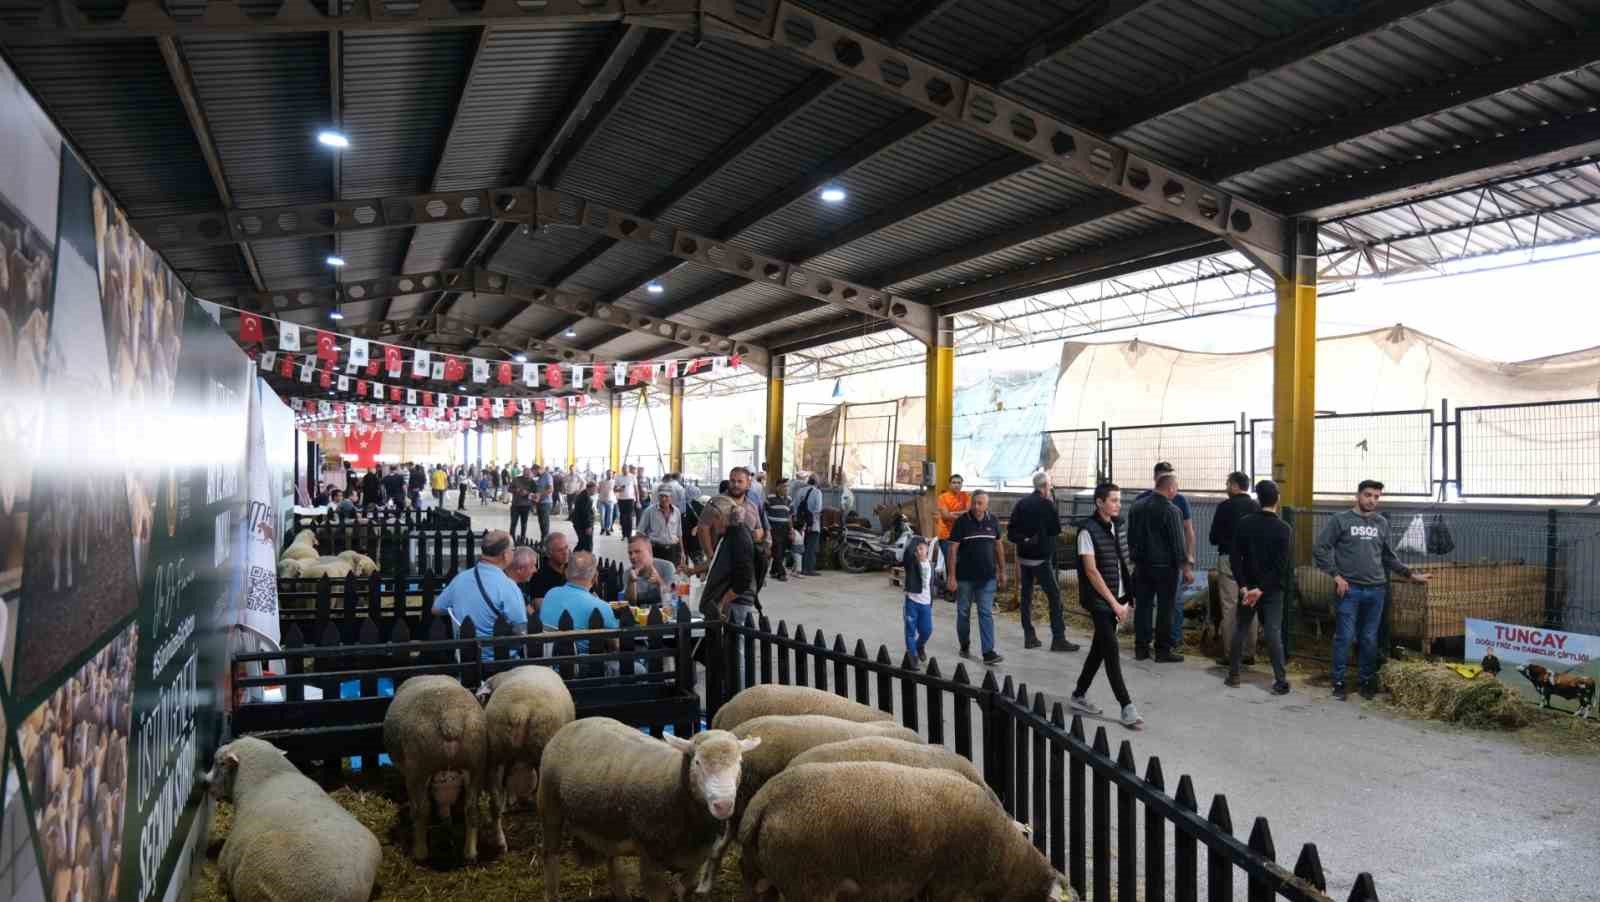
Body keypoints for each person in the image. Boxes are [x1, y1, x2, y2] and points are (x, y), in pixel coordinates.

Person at [1314, 479, 1431, 700]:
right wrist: (1336, 576)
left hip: (1376, 590)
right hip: (1348, 590)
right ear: (1357, 496)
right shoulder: (1341, 520)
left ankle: (1366, 680)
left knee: (1369, 638)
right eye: (1368, 495)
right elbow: (1320, 549)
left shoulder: (1381, 523)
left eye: (1377, 496)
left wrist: (1410, 575)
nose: (1372, 500)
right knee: (1345, 637)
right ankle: (1338, 681)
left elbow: (1388, 556)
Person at [1070, 482, 1142, 730]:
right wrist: (1114, 604)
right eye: (1113, 500)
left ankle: (1079, 694)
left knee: (1098, 649)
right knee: (1111, 650)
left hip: (1118, 599)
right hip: (1100, 601)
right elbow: (1091, 571)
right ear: (1099, 502)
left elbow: (1123, 562)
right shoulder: (1086, 532)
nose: (1118, 504)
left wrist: (1128, 596)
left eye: (1119, 500)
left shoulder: (1117, 525)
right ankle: (1126, 707)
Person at [1227, 480, 1292, 695]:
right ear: (1277, 499)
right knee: (1273, 632)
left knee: (1242, 627)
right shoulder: (1284, 529)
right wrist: (1262, 589)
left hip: (1249, 588)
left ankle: (1234, 675)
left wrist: (1245, 586)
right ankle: (1280, 679)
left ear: (1257, 498)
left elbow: (1235, 558)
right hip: (1271, 590)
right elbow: (1281, 566)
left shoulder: (1244, 523)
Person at [1007, 471, 1079, 653]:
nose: (1051, 488)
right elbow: (1056, 529)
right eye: (1050, 486)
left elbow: (1011, 532)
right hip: (1041, 559)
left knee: (1026, 597)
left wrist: (1024, 540)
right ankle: (1058, 638)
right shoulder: (1047, 504)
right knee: (1054, 596)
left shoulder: (1021, 504)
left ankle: (1029, 636)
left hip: (1024, 558)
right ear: (1044, 487)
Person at [431, 530, 528, 661]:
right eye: (513, 549)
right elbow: (521, 630)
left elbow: (436, 609)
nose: (514, 553)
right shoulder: (508, 586)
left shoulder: (461, 578)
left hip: (465, 659)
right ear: (505, 555)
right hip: (501, 662)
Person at [1128, 472, 1189, 663]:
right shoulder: (1172, 511)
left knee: (1143, 607)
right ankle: (1162, 650)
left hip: (1142, 566)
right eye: (1176, 488)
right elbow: (1178, 544)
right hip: (1166, 568)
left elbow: (1130, 537)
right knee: (1165, 609)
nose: (1176, 492)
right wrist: (1184, 566)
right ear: (1170, 488)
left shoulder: (1136, 506)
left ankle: (1141, 649)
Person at [946, 489, 1006, 665]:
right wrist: (951, 576)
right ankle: (964, 644)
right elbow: (952, 549)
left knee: (985, 612)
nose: (976, 506)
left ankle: (988, 652)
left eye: (980, 503)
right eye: (974, 503)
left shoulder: (993, 521)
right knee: (963, 612)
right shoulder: (962, 522)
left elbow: (999, 547)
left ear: (987, 505)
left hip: (987, 578)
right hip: (964, 578)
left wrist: (1002, 571)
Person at [1210, 470, 1261, 667]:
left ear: (1234, 485)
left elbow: (1213, 538)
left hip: (1229, 560)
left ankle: (1231, 653)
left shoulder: (1224, 507)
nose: (1225, 487)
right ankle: (1249, 652)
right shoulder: (1256, 507)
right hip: (1252, 562)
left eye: (1227, 484)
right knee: (1250, 603)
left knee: (1229, 606)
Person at [539, 552, 620, 675]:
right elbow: (615, 646)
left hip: (548, 665)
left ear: (566, 573)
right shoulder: (600, 606)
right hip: (582, 670)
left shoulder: (550, 593)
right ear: (595, 577)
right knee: (638, 669)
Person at [697, 495, 759, 636]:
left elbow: (743, 580)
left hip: (736, 604)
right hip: (728, 603)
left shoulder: (738, 536)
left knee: (735, 651)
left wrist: (722, 603)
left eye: (714, 519)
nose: (712, 523)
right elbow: (718, 562)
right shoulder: (729, 534)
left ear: (721, 517)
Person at [725, 467, 769, 590]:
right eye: (733, 481)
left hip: (747, 560)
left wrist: (759, 535)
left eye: (740, 481)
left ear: (748, 483)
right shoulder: (719, 502)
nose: (736, 485)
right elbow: (704, 528)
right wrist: (710, 554)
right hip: (725, 560)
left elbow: (761, 528)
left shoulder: (753, 504)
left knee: (744, 598)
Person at [900, 536, 933, 672]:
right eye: (917, 549)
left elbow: (930, 584)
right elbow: (907, 552)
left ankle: (919, 646)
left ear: (927, 550)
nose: (919, 551)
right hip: (912, 603)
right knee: (910, 631)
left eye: (922, 548)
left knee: (927, 630)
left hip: (925, 604)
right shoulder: (911, 564)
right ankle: (912, 656)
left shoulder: (930, 565)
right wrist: (918, 539)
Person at [935, 475, 970, 601]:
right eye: (954, 482)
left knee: (962, 563)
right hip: (946, 535)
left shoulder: (966, 496)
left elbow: (969, 513)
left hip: (962, 535)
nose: (956, 485)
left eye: (959, 482)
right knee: (951, 564)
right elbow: (945, 516)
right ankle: (951, 592)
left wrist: (953, 514)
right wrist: (961, 515)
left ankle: (962, 591)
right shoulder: (942, 497)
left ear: (962, 484)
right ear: (949, 484)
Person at [625, 534, 677, 608]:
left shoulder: (667, 567)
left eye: (637, 552)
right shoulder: (628, 573)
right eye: (630, 553)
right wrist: (631, 582)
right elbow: (631, 604)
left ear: (650, 552)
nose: (632, 556)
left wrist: (659, 581)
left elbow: (673, 599)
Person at [525, 532, 570, 616]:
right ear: (549, 554)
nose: (565, 552)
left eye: (566, 548)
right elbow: (541, 608)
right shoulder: (539, 577)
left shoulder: (574, 570)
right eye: (560, 550)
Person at [638, 486, 684, 565]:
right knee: (655, 575)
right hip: (655, 550)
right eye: (661, 496)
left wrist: (682, 552)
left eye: (666, 496)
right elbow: (640, 532)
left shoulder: (676, 511)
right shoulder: (649, 511)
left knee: (671, 575)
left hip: (672, 550)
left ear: (671, 497)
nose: (663, 499)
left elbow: (679, 533)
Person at [794, 475, 822, 576]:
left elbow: (795, 507)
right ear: (816, 482)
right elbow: (818, 509)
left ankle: (799, 568)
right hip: (812, 524)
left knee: (801, 545)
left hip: (800, 523)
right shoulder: (817, 492)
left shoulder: (799, 491)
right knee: (811, 546)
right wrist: (812, 522)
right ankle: (808, 569)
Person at [764, 480, 791, 582]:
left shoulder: (789, 499)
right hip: (773, 528)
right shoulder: (770, 498)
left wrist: (791, 530)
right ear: (778, 487)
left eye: (787, 487)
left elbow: (790, 515)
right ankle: (781, 573)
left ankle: (773, 571)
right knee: (778, 550)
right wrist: (767, 528)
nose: (786, 488)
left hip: (785, 528)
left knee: (782, 552)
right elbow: (764, 513)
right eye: (783, 486)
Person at [572, 481, 596, 553]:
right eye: (594, 489)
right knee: (587, 545)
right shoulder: (585, 498)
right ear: (590, 488)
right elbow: (586, 513)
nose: (595, 491)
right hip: (583, 525)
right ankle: (588, 560)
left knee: (582, 543)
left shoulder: (583, 495)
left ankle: (572, 557)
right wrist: (588, 526)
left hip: (579, 524)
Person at [509, 472, 533, 542]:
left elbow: (535, 492)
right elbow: (509, 489)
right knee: (513, 523)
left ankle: (523, 538)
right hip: (515, 506)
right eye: (526, 473)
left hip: (526, 506)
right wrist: (515, 490)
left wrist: (527, 493)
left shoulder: (532, 482)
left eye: (528, 474)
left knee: (524, 524)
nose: (527, 476)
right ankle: (511, 539)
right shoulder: (516, 479)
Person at [616, 466, 637, 538]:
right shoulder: (618, 477)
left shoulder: (633, 477)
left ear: (628, 469)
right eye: (623, 469)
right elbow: (615, 489)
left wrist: (638, 501)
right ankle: (623, 533)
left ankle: (629, 534)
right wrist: (619, 489)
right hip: (621, 499)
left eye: (626, 469)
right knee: (622, 517)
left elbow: (636, 489)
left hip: (630, 499)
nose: (625, 471)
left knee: (629, 517)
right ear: (621, 470)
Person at [534, 465, 554, 541]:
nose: (534, 474)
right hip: (540, 502)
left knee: (545, 524)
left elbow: (551, 489)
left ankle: (545, 543)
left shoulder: (547, 476)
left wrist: (540, 494)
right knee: (541, 523)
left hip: (546, 503)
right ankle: (543, 541)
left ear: (538, 469)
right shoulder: (540, 477)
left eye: (535, 472)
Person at [598, 471, 617, 536]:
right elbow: (598, 490)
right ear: (606, 474)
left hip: (610, 501)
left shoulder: (614, 482)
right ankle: (602, 528)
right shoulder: (601, 482)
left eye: (611, 474)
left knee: (609, 516)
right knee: (602, 516)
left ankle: (607, 529)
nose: (609, 475)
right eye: (608, 474)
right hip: (602, 501)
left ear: (612, 475)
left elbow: (616, 490)